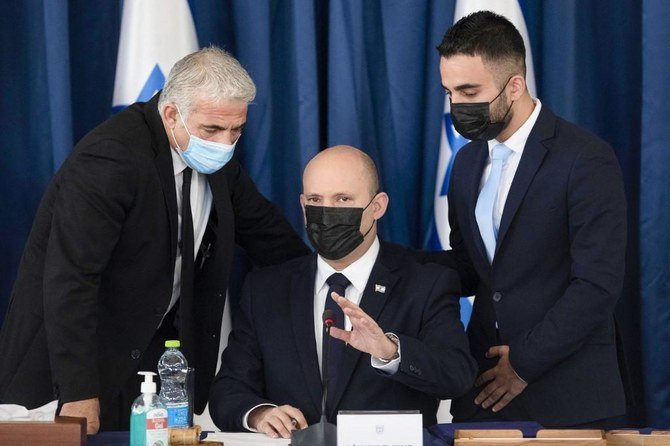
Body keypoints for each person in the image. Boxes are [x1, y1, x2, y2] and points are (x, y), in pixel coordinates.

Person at [0, 47, 310, 433]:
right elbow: (71, 280)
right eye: (213, 130)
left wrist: (329, 282)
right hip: (66, 372)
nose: (225, 143)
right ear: (171, 113)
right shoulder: (111, 158)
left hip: (147, 372)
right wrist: (77, 392)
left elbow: (273, 241)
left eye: (237, 130)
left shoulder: (216, 162)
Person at [432, 11, 627, 427]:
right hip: (483, 393)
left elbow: (597, 284)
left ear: (515, 85)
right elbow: (471, 269)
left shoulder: (585, 158)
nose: (457, 107)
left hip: (566, 394)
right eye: (450, 93)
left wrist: (522, 364)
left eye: (469, 92)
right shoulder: (466, 163)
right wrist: (386, 260)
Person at [209, 145, 477, 438]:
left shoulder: (427, 283)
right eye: (315, 199)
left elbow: (457, 375)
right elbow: (228, 390)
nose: (327, 212)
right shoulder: (265, 289)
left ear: (378, 206)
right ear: (302, 204)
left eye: (343, 199)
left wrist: (391, 351)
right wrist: (260, 414)